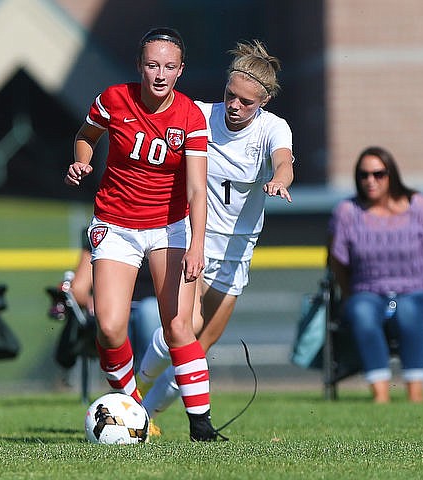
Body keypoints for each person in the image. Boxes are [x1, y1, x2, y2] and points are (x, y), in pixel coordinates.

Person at [64, 27, 217, 441]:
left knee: (179, 325)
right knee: (110, 327)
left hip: (169, 227)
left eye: (169, 66)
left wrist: (197, 244)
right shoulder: (114, 99)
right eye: (152, 65)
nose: (160, 73)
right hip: (115, 225)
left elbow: (197, 187)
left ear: (181, 70)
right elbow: (86, 137)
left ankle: (201, 426)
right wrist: (81, 161)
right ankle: (136, 416)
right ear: (140, 66)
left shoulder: (190, 116)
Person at [136, 40, 294, 423]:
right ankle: (132, 388)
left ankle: (144, 416)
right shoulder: (199, 116)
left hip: (237, 252)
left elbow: (285, 161)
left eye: (247, 102)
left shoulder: (273, 129)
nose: (236, 106)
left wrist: (279, 179)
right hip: (194, 241)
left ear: (264, 102)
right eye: (231, 96)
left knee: (197, 349)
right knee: (183, 329)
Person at [328, 146, 423, 403]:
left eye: (378, 174)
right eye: (364, 175)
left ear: (391, 175)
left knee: (408, 308)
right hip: (369, 293)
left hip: (421, 293)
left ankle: (415, 392)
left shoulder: (419, 206)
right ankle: (380, 393)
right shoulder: (347, 212)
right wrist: (349, 294)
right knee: (361, 311)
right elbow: (337, 258)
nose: (370, 181)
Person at [68, 228, 161, 375]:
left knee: (148, 311)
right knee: (113, 320)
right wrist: (90, 300)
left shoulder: (166, 230)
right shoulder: (104, 231)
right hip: (117, 309)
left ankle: (145, 381)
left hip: (156, 311)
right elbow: (78, 289)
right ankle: (128, 386)